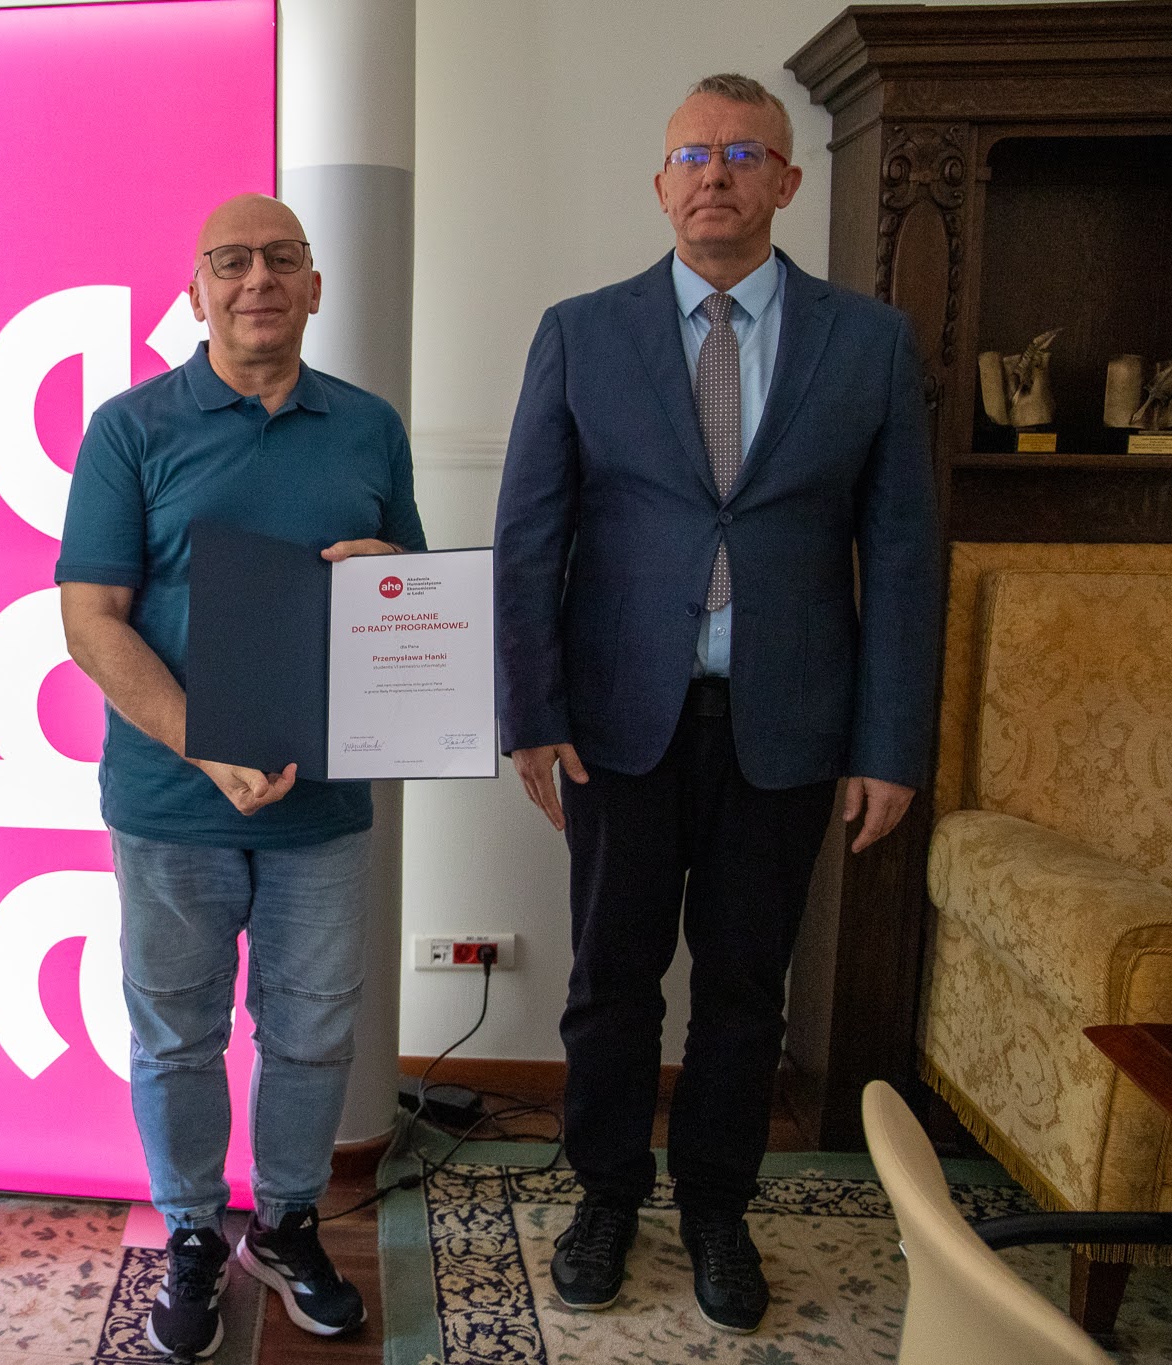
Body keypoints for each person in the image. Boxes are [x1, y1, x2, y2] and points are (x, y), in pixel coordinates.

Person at [494, 74, 939, 1334]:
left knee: (745, 989)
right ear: (659, 184)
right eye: (692, 155)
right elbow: (528, 538)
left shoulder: (867, 342)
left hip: (786, 727)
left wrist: (889, 743)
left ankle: (714, 1207)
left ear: (785, 182)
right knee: (610, 981)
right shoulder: (580, 333)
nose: (715, 175)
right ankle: (603, 1195)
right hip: (615, 724)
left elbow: (902, 554)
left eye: (743, 154)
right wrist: (530, 713)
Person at [57, 192, 425, 1358]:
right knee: (176, 1034)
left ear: (314, 286)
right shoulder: (128, 428)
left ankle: (286, 1222)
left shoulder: (367, 427)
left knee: (312, 1032)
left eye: (280, 259)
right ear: (196, 292)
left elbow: (413, 594)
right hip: (171, 802)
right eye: (230, 261)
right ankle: (189, 1231)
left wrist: (388, 576)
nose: (256, 278)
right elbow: (90, 619)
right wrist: (199, 739)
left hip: (324, 803)